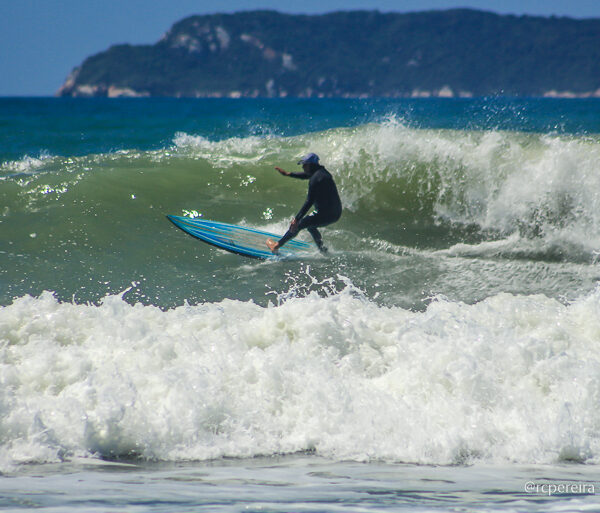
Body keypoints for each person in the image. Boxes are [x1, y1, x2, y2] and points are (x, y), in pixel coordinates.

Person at [267, 153, 342, 254]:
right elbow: (306, 175)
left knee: (300, 224)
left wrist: (297, 219)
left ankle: (276, 245)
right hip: (335, 212)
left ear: (311, 165)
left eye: (305, 165)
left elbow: (309, 201)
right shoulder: (322, 173)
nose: (303, 167)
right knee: (310, 225)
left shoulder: (316, 179)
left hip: (326, 214)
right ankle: (323, 249)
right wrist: (288, 174)